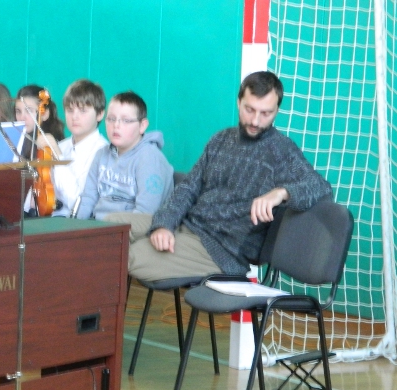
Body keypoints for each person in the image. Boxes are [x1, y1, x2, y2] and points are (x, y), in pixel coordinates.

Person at [105, 71, 333, 281]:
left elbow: (322, 188)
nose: (255, 121)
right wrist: (164, 224)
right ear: (238, 102)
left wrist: (281, 193)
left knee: (123, 255)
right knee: (105, 227)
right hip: (188, 226)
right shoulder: (220, 139)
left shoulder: (281, 151)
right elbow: (187, 189)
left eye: (266, 113)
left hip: (220, 252)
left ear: (277, 111)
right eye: (249, 110)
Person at [75, 91, 173, 220]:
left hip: (129, 228)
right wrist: (77, 227)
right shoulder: (101, 154)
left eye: (126, 120)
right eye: (111, 119)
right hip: (98, 225)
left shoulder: (149, 158)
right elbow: (88, 199)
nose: (116, 125)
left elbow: (145, 214)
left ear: (142, 126)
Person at [46, 79, 108, 217]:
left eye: (83, 110)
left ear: (100, 114)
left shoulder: (103, 152)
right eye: (69, 110)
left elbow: (78, 204)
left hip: (75, 223)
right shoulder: (62, 146)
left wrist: (58, 156)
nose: (74, 117)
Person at [14, 84, 65, 159]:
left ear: (45, 114)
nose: (22, 117)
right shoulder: (13, 141)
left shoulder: (57, 144)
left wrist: (57, 152)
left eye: (29, 111)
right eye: (18, 111)